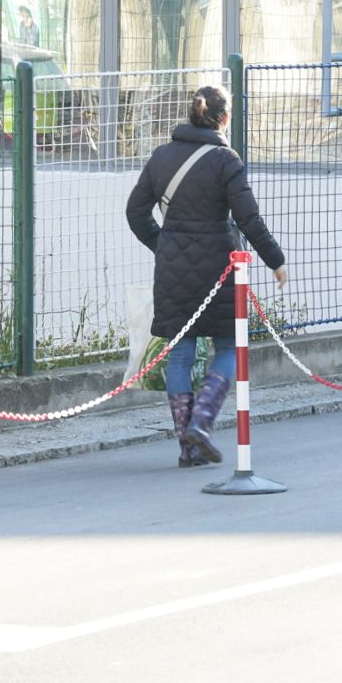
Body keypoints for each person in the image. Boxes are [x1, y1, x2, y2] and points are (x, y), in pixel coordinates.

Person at [125, 86, 287, 466]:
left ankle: (187, 447)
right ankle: (201, 424)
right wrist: (275, 260)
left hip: (173, 271)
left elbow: (136, 213)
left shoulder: (162, 157)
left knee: (180, 356)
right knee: (228, 347)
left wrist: (163, 245)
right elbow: (249, 219)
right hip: (220, 270)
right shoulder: (226, 160)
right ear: (225, 118)